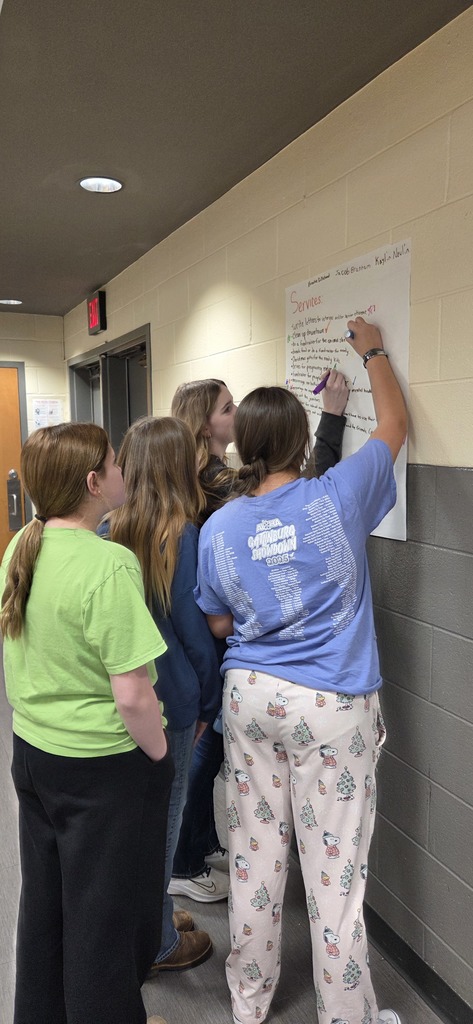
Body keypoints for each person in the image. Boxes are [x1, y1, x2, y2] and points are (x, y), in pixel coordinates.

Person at [194, 317, 406, 1024]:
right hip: (331, 705)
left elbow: (217, 621)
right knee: (334, 875)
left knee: (255, 860)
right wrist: (373, 350)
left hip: (250, 698)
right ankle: (346, 1015)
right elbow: (395, 425)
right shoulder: (336, 496)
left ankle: (248, 1004)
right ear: (300, 441)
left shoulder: (220, 525)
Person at [0, 422, 173, 1024]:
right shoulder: (110, 564)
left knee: (46, 907)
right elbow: (134, 695)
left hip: (33, 755)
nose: (124, 471)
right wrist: (160, 755)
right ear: (95, 483)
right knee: (104, 921)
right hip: (101, 766)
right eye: (115, 463)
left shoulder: (22, 546)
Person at [169, 374, 349, 902]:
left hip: (218, 630)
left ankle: (198, 844)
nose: (236, 413)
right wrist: (331, 421)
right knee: (207, 752)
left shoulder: (200, 474)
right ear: (205, 424)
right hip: (223, 635)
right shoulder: (218, 482)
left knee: (210, 751)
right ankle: (184, 862)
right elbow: (297, 492)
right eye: (228, 408)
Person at [103, 416, 221, 971]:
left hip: (124, 702)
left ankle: (155, 916)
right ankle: (157, 944)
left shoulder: (107, 529)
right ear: (178, 468)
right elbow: (195, 637)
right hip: (173, 699)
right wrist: (209, 705)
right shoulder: (181, 533)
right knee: (163, 828)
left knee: (134, 823)